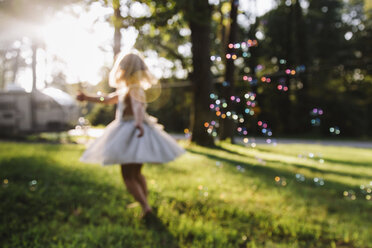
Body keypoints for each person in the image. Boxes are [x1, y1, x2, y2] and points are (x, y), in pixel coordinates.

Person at [76, 52, 185, 218]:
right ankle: (144, 203)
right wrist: (87, 97)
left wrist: (139, 123)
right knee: (136, 173)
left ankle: (145, 207)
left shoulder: (133, 90)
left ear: (124, 70)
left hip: (130, 130)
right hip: (135, 130)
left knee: (127, 175)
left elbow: (138, 107)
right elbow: (106, 99)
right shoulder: (127, 89)